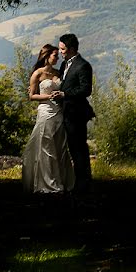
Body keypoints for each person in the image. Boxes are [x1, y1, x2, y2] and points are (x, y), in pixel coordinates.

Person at [21, 44, 75, 194]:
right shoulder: (37, 74)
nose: (57, 58)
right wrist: (48, 96)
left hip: (59, 112)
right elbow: (32, 96)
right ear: (46, 56)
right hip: (45, 112)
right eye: (54, 55)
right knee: (46, 147)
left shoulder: (59, 73)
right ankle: (48, 183)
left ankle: (62, 181)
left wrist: (62, 95)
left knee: (60, 146)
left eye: (58, 56)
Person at [55, 33, 96, 194]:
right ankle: (78, 182)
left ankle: (83, 183)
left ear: (71, 49)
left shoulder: (83, 65)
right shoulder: (64, 65)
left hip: (76, 114)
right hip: (65, 113)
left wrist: (65, 95)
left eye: (62, 49)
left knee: (79, 149)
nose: (60, 52)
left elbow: (86, 90)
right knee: (72, 149)